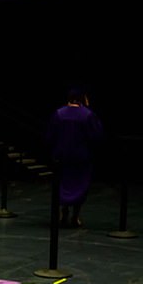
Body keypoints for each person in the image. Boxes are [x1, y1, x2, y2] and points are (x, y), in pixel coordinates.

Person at [45, 86, 104, 227]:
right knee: (79, 186)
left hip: (62, 157)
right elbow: (96, 136)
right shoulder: (87, 115)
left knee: (63, 184)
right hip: (81, 158)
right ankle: (75, 216)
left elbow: (50, 136)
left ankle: (63, 211)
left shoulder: (59, 114)